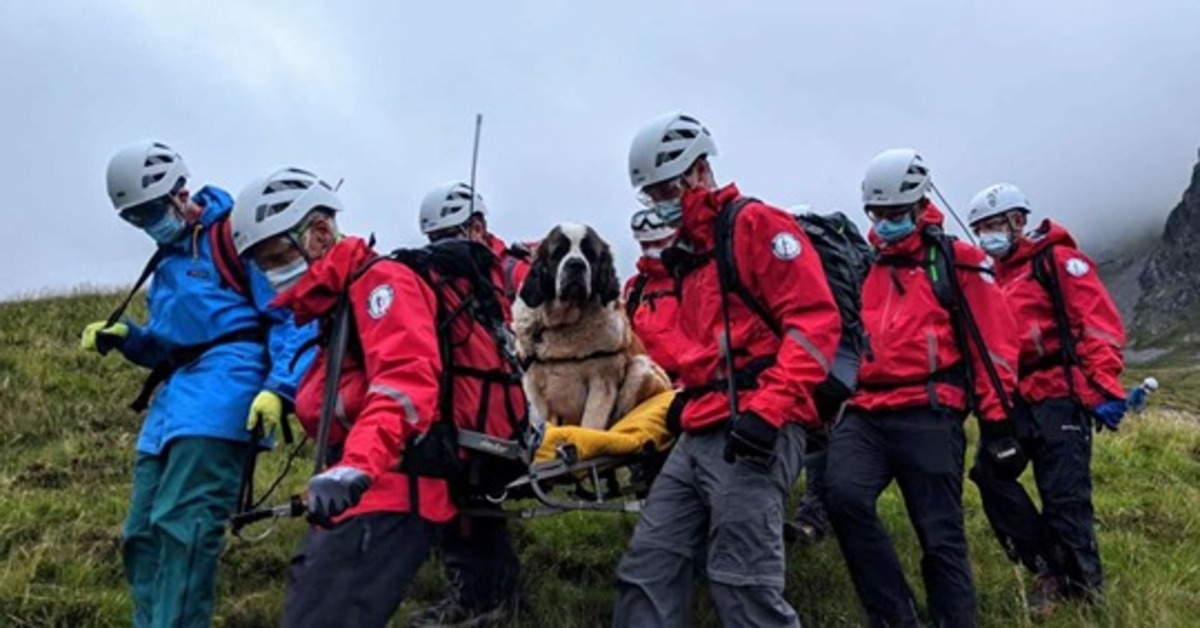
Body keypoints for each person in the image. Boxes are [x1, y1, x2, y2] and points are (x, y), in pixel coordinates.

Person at [231, 167, 527, 627]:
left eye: (276, 257)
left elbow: (405, 384)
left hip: (391, 488)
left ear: (320, 232)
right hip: (367, 487)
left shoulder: (381, 285)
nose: (271, 274)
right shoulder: (337, 303)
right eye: (261, 264)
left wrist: (357, 465)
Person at [613, 111, 842, 627]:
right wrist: (685, 401)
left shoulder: (756, 226)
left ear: (698, 172)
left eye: (666, 188)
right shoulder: (690, 253)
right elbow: (704, 354)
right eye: (650, 195)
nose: (659, 202)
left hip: (754, 430)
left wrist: (768, 412)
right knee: (648, 567)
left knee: (743, 585)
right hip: (701, 428)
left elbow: (813, 325)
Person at [84, 141, 311, 627]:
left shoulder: (237, 236)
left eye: (148, 211)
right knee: (141, 532)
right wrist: (128, 339)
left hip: (225, 391)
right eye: (133, 218)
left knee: (184, 525)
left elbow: (291, 316)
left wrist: (281, 386)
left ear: (178, 192)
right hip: (172, 402)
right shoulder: (166, 261)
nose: (146, 223)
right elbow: (170, 346)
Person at [824, 149, 1022, 627]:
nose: (886, 222)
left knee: (940, 535)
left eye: (895, 214)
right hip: (867, 412)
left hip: (931, 412)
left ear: (919, 203)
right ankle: (896, 617)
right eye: (878, 214)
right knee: (843, 497)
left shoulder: (957, 262)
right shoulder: (863, 267)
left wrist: (998, 423)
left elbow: (994, 346)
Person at [966, 182, 1127, 611]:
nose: (987, 236)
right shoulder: (990, 278)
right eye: (979, 229)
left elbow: (1096, 325)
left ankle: (1087, 596)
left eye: (993, 226)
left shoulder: (1058, 262)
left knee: (1065, 497)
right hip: (1015, 399)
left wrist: (1104, 387)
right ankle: (1048, 566)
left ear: (1018, 221)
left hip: (1060, 395)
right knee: (989, 474)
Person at [409, 180, 527, 627]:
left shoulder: (511, 266)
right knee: (458, 495)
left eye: (449, 235)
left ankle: (491, 598)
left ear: (476, 225)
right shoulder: (438, 273)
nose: (442, 246)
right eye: (435, 240)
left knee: (471, 496)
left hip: (507, 406)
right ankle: (483, 594)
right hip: (460, 405)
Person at [419, 181, 531, 304]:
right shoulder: (436, 281)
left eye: (448, 237)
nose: (439, 247)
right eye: (433, 239)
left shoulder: (515, 272)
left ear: (477, 229)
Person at [623, 208, 683, 381]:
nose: (651, 250)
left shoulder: (694, 279)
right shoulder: (635, 287)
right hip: (645, 380)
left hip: (687, 382)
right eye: (646, 245)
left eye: (659, 243)